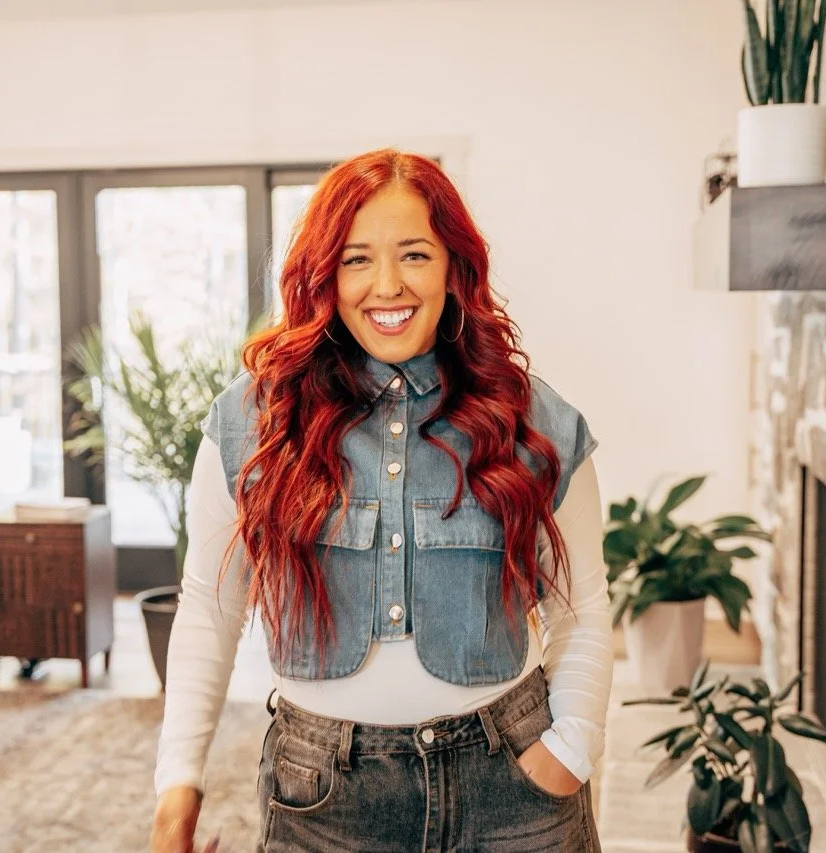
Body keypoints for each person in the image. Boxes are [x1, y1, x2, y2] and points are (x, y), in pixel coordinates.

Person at [150, 148, 614, 852]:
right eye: (357, 258)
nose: (387, 284)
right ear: (324, 272)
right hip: (323, 804)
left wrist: (569, 751)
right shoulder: (252, 422)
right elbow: (209, 608)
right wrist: (175, 791)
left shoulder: (535, 421)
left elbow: (581, 609)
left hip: (513, 797)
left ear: (455, 268)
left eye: (415, 255)